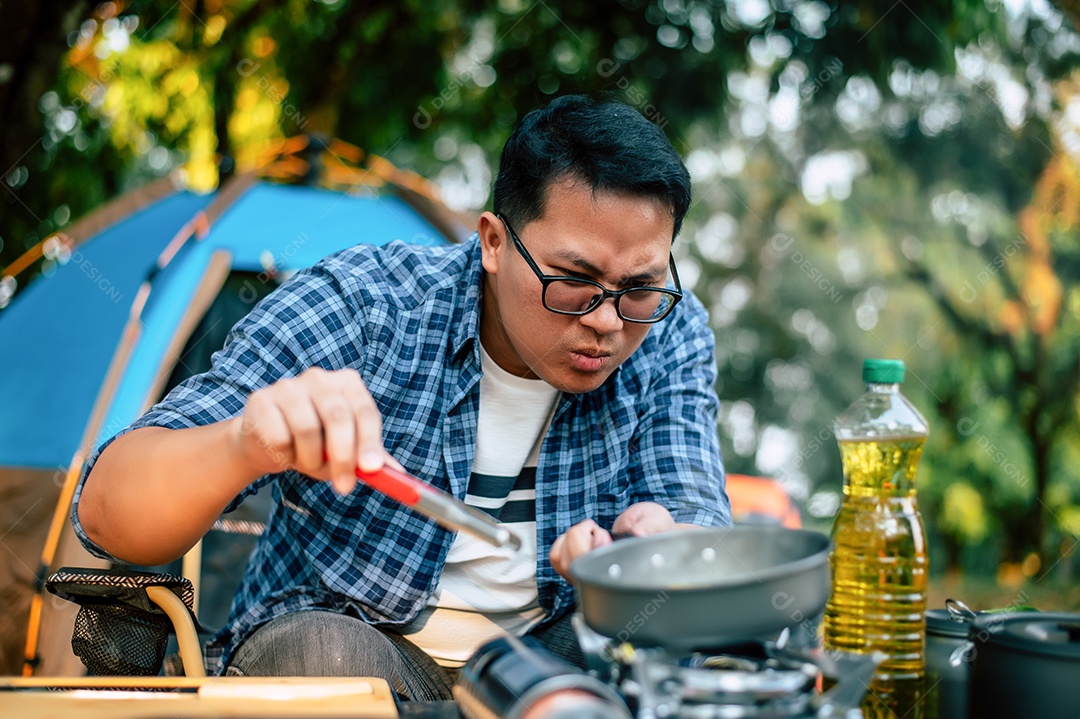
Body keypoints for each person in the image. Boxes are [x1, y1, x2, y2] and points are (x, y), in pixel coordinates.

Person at [72, 94, 730, 698]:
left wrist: (663, 544)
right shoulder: (363, 306)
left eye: (639, 287)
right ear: (494, 242)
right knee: (319, 657)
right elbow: (107, 514)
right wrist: (243, 440)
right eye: (574, 281)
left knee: (671, 637)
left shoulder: (669, 328)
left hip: (552, 660)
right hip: (363, 651)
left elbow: (693, 506)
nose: (608, 321)